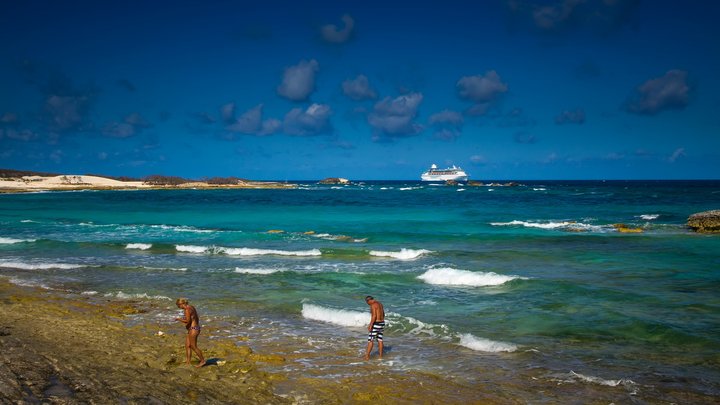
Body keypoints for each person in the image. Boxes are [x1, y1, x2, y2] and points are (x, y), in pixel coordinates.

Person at [175, 298, 206, 367]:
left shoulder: (187, 310)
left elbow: (188, 321)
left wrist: (179, 319)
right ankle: (188, 362)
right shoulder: (191, 307)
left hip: (193, 329)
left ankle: (202, 361)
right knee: (187, 345)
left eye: (178, 306)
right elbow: (193, 318)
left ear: (181, 304)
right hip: (195, 328)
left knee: (193, 346)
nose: (179, 308)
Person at [364, 295, 385, 360]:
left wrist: (370, 325)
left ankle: (367, 356)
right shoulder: (380, 304)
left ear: (369, 301)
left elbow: (374, 316)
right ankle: (380, 356)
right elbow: (383, 314)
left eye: (367, 303)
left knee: (370, 340)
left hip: (376, 323)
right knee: (380, 339)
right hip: (382, 323)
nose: (368, 304)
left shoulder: (373, 305)